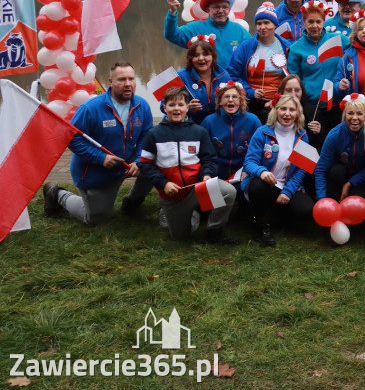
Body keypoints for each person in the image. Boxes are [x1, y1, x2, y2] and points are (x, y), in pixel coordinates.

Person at [43, 62, 154, 225]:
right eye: (121, 79)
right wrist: (100, 157)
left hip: (126, 163)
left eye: (131, 79)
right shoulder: (90, 108)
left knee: (156, 161)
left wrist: (139, 161)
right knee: (95, 218)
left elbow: (146, 136)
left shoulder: (142, 105)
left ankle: (132, 203)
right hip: (97, 170)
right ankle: (56, 193)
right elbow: (70, 138)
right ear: (110, 82)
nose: (128, 84)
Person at [137, 87, 238, 244]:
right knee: (181, 236)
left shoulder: (199, 132)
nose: (176, 109)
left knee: (229, 192)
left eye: (180, 105)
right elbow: (145, 165)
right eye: (171, 105)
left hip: (197, 189)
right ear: (165, 108)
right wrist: (164, 184)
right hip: (172, 195)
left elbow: (209, 159)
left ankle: (213, 230)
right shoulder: (153, 134)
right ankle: (191, 214)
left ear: (187, 108)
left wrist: (206, 174)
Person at [241, 94, 315, 246]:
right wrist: (262, 172)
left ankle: (278, 215)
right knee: (258, 185)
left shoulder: (303, 135)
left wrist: (288, 191)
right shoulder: (262, 132)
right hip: (264, 183)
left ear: (297, 113)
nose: (287, 113)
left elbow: (301, 170)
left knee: (306, 211)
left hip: (287, 185)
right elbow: (249, 162)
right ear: (276, 110)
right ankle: (263, 229)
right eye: (283, 109)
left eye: (292, 110)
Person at [285, 1, 345, 148]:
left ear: (324, 22)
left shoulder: (338, 40)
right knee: (313, 146)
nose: (314, 26)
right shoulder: (296, 48)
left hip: (336, 104)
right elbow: (294, 80)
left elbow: (361, 43)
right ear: (304, 22)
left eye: (318, 22)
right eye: (310, 22)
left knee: (336, 146)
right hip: (312, 108)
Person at [227, 2, 292, 121]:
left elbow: (294, 77)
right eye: (259, 23)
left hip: (280, 103)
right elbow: (232, 75)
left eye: (267, 23)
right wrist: (250, 91)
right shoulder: (245, 47)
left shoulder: (286, 47)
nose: (262, 27)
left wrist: (279, 99)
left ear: (275, 25)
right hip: (250, 102)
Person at [314, 94, 365, 201]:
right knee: (337, 170)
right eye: (350, 113)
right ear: (345, 115)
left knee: (355, 204)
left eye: (359, 114)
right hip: (338, 177)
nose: (354, 118)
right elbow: (321, 169)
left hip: (361, 179)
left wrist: (350, 183)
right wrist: (322, 198)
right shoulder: (334, 135)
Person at [164, 0, 250, 62]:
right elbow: (172, 35)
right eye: (216, 7)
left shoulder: (240, 30)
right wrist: (173, 12)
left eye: (224, 7)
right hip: (204, 80)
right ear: (208, 9)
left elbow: (253, 52)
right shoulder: (195, 28)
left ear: (229, 9)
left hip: (233, 80)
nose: (220, 11)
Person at [201, 81, 263, 183]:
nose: (230, 100)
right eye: (226, 97)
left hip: (243, 171)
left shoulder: (252, 120)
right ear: (220, 101)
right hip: (216, 172)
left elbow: (260, 148)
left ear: (241, 100)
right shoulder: (209, 122)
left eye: (234, 97)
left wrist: (249, 169)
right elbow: (203, 151)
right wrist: (207, 173)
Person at [176, 36, 230, 125]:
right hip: (188, 126)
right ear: (191, 58)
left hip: (217, 126)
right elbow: (164, 106)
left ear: (213, 56)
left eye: (205, 54)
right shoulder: (180, 76)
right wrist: (186, 108)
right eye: (196, 55)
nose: (201, 58)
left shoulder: (224, 76)